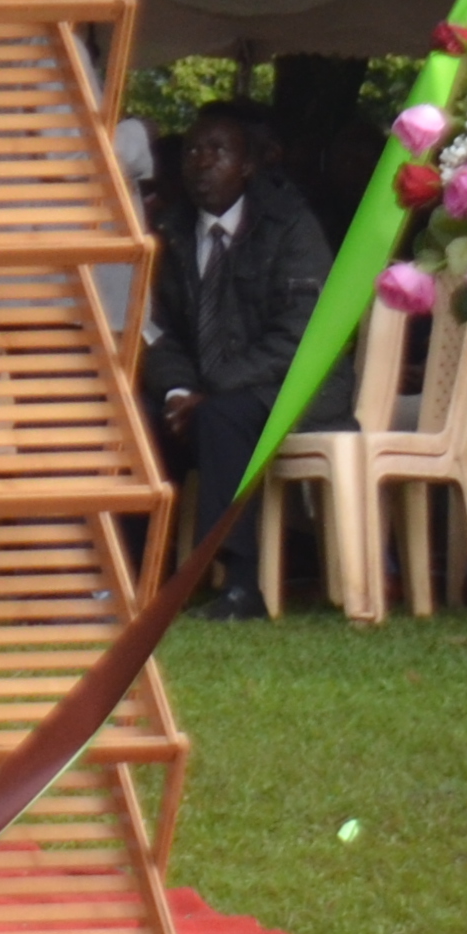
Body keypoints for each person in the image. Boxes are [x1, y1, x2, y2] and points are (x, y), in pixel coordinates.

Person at [144, 102, 346, 615]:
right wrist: (178, 393)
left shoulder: (289, 226)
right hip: (211, 394)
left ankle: (239, 583)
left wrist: (214, 390)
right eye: (192, 149)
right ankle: (136, 575)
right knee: (138, 421)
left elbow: (301, 334)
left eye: (217, 150)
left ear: (248, 165)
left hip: (297, 387)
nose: (201, 161)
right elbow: (161, 333)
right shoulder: (171, 231)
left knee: (220, 418)